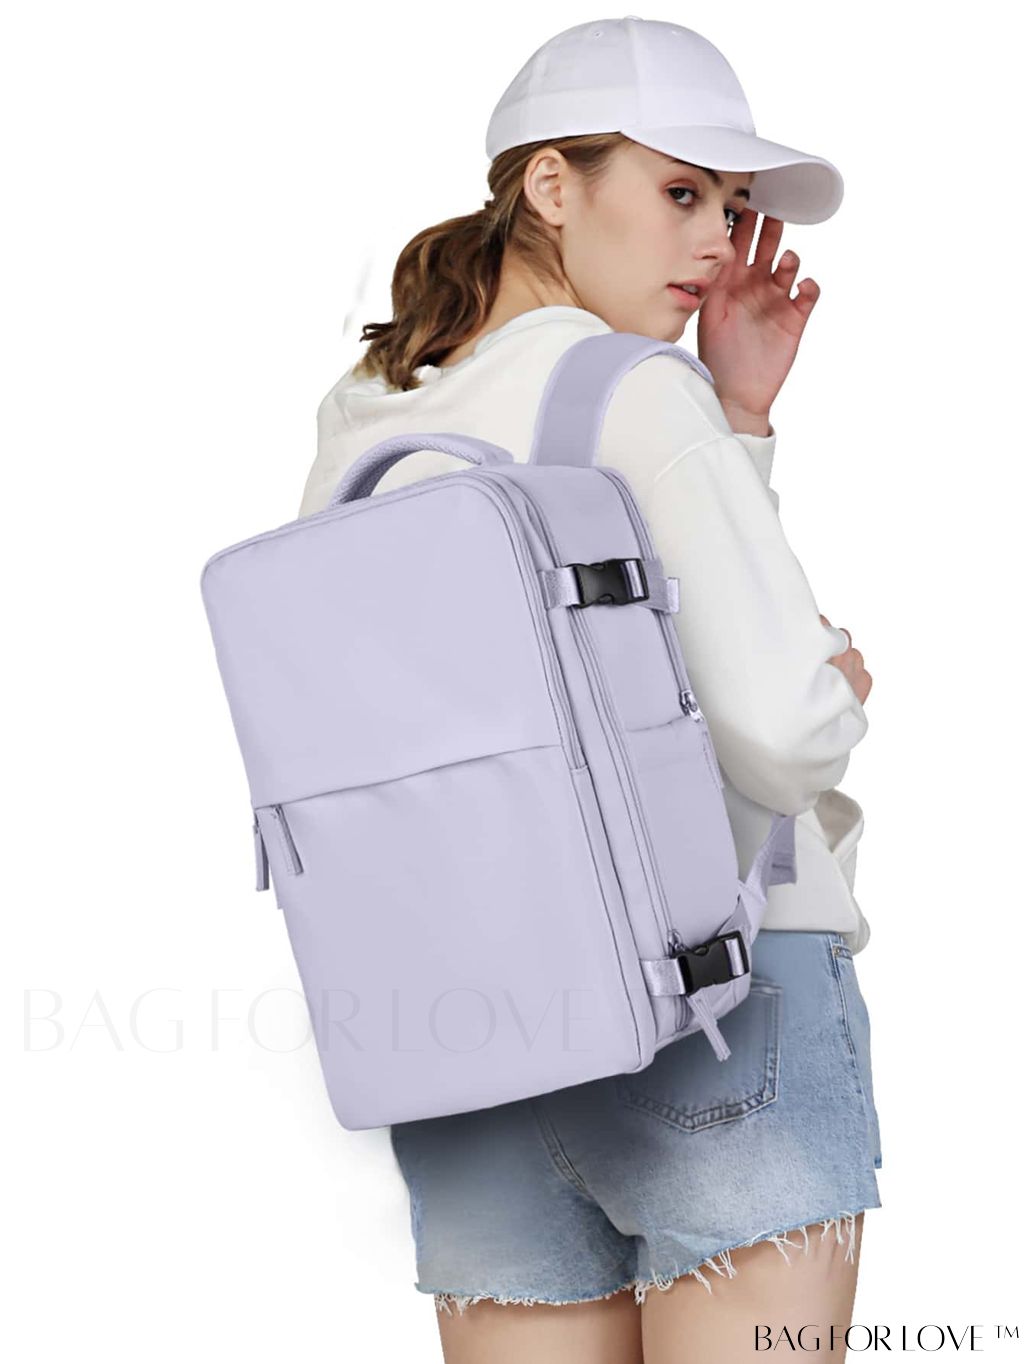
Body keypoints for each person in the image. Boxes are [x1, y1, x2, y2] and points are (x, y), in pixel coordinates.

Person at [299, 17, 882, 1364]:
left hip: (461, 1030)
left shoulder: (364, 415)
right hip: (718, 1004)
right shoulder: (634, 389)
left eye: (729, 204)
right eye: (682, 191)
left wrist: (736, 418)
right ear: (552, 186)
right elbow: (783, 731)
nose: (716, 239)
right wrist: (835, 678)